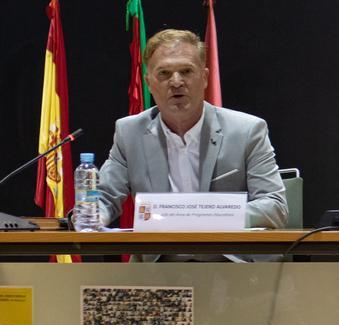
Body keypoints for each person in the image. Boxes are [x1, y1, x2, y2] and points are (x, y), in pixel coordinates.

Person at [97, 29, 287, 235]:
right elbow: (104, 197)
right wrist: (89, 215)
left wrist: (202, 216)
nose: (176, 82)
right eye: (164, 73)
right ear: (149, 83)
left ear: (204, 78)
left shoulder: (247, 131)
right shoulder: (129, 132)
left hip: (228, 260)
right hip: (157, 263)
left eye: (186, 71)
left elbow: (274, 207)